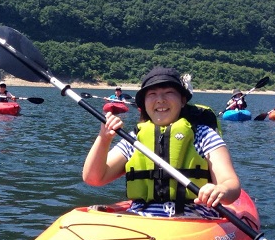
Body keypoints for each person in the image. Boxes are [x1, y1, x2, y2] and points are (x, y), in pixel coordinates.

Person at [82, 66, 241, 218]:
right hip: (140, 218)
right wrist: (104, 138)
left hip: (193, 219)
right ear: (144, 103)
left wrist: (221, 190)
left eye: (169, 92)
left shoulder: (204, 135)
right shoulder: (134, 139)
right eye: (152, 94)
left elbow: (231, 183)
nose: (160, 100)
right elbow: (93, 178)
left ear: (182, 100)